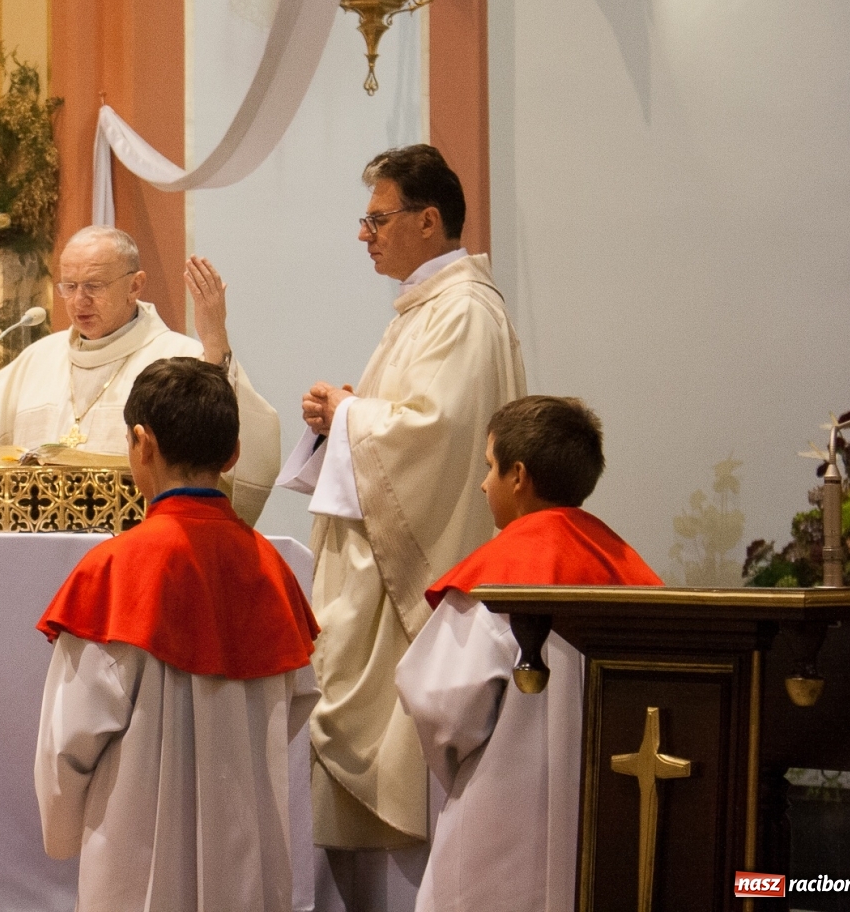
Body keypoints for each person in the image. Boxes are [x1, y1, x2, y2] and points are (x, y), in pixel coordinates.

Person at [278, 145, 525, 893]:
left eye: (378, 218)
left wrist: (351, 415)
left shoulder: (463, 312)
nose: (366, 234)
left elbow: (439, 435)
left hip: (407, 587)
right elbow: (406, 424)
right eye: (365, 219)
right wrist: (343, 418)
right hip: (371, 578)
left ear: (428, 221)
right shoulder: (425, 307)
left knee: (405, 784)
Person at [33, 358, 321, 910]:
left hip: (136, 851)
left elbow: (70, 736)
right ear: (233, 453)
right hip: (249, 850)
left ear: (142, 443)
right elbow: (297, 700)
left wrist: (64, 829)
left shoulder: (116, 569)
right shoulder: (269, 567)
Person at [396, 396, 662, 911]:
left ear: (519, 476)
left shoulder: (496, 575)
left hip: (502, 818)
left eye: (490, 466)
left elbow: (440, 706)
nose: (482, 483)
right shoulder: (628, 570)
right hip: (609, 820)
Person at [0, 225, 281, 524]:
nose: (79, 301)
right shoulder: (41, 358)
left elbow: (229, 450)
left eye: (94, 286)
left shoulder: (178, 358)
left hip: (138, 556)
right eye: (69, 286)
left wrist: (215, 344)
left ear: (135, 285)